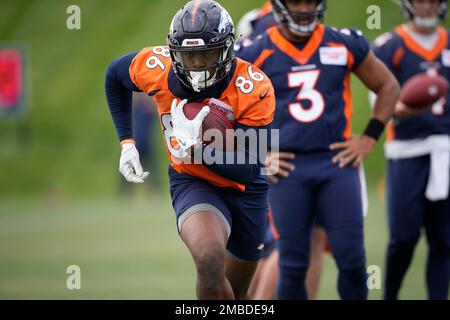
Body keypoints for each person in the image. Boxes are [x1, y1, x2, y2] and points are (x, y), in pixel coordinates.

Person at [105, 0, 275, 299]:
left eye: (206, 53)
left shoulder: (253, 86)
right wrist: (126, 141)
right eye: (189, 55)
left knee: (236, 295)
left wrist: (199, 149)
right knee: (210, 262)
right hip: (193, 181)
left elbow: (250, 168)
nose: (197, 64)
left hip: (245, 190)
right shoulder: (155, 67)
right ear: (173, 52)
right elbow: (114, 75)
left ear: (225, 48)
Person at [236, 0, 400, 299]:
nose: (304, 8)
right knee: (293, 262)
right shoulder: (253, 52)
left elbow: (389, 85)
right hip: (288, 170)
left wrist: (368, 137)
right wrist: (257, 154)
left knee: (351, 257)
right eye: (297, 2)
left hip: (335, 164)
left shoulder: (343, 42)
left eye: (310, 1)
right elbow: (226, 109)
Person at [236, 1, 328, 300]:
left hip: (274, 149)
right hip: (282, 153)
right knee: (298, 241)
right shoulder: (262, 25)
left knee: (274, 247)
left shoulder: (256, 20)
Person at [372, 0, 450, 300]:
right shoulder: (390, 45)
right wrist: (398, 108)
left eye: (433, 1)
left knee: (443, 240)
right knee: (403, 238)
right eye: (420, 0)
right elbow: (377, 98)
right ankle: (389, 294)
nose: (427, 7)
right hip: (406, 151)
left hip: (445, 151)